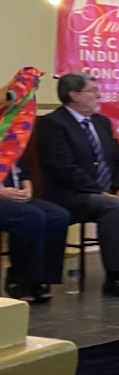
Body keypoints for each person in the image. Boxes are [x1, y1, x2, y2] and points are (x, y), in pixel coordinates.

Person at [36, 72, 119, 297]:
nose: (98, 95)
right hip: (70, 195)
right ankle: (114, 277)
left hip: (110, 193)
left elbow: (118, 161)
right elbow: (64, 170)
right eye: (92, 91)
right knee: (112, 207)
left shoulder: (101, 122)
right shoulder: (54, 124)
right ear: (74, 95)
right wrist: (104, 193)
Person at [0, 68, 68, 303]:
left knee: (57, 215)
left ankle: (43, 279)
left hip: (17, 193)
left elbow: (23, 168)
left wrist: (27, 185)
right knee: (30, 217)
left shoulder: (9, 132)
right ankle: (19, 280)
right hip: (2, 196)